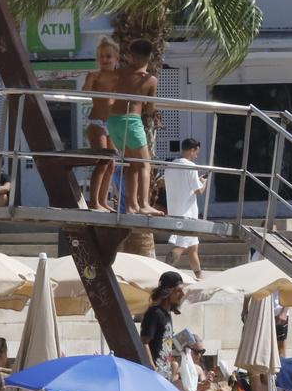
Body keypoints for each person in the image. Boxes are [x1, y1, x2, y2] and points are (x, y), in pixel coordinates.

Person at [105, 39, 161, 215]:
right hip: (131, 121)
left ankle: (131, 205)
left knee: (132, 165)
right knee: (145, 164)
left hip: (113, 122)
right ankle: (144, 204)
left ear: (131, 56)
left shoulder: (120, 73)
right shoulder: (150, 80)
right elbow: (150, 109)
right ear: (149, 58)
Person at [79, 37, 121, 211]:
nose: (105, 60)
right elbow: (84, 93)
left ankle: (103, 201)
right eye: (102, 56)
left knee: (112, 164)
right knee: (103, 161)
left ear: (116, 57)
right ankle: (94, 202)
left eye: (108, 56)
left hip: (112, 124)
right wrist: (90, 80)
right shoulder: (94, 75)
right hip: (97, 123)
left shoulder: (120, 77)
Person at [162, 137, 208, 275]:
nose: (196, 156)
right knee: (180, 247)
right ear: (192, 150)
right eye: (196, 152)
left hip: (175, 211)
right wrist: (204, 182)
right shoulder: (191, 166)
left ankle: (199, 276)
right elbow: (198, 190)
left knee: (193, 248)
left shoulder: (170, 165)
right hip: (187, 214)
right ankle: (163, 271)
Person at [140, 271, 187, 371]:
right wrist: (152, 367)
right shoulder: (154, 313)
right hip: (155, 373)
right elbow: (144, 342)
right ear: (168, 292)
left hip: (165, 373)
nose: (183, 294)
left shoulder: (167, 314)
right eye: (179, 290)